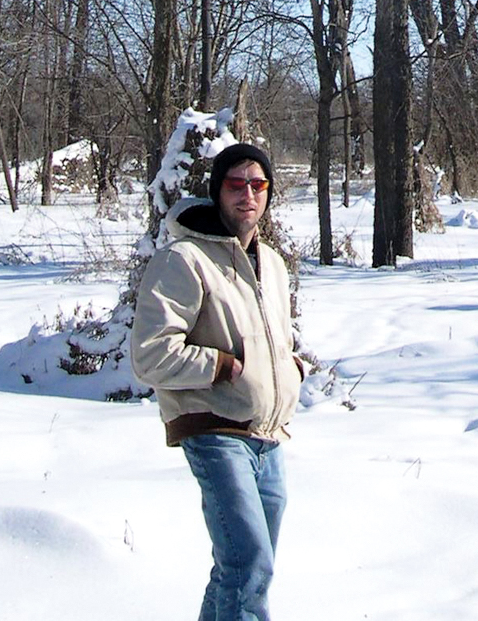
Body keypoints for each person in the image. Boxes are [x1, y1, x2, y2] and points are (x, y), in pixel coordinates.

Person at [131, 141, 304, 621]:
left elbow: (272, 339)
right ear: (217, 193)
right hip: (214, 429)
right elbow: (148, 355)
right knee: (249, 563)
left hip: (267, 435)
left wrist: (291, 370)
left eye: (258, 184)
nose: (247, 194)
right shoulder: (183, 259)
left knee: (238, 567)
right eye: (235, 185)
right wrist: (222, 367)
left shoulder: (269, 261)